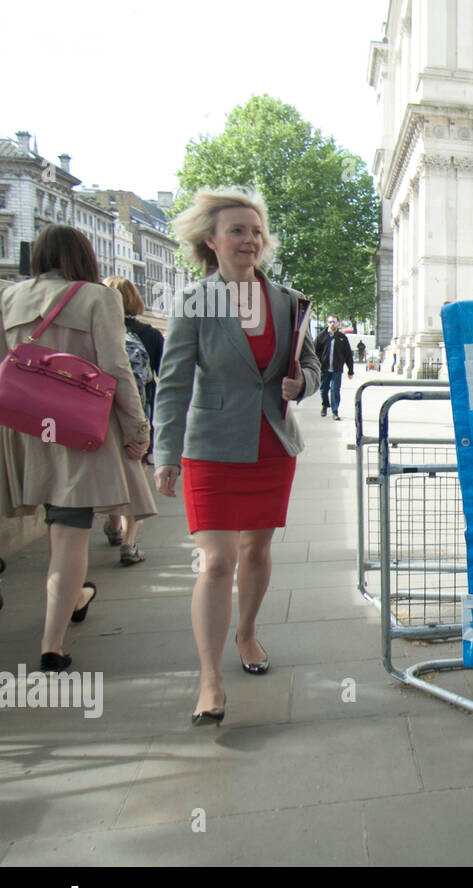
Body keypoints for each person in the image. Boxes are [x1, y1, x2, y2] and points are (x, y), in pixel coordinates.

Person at [155, 188, 320, 726]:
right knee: (216, 562)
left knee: (256, 552)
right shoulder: (194, 302)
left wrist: (303, 384)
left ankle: (247, 633)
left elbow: (311, 369)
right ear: (211, 240)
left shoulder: (289, 302)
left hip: (272, 445)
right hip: (211, 448)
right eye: (237, 231)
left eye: (255, 230)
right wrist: (166, 454)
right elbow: (174, 383)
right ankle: (209, 678)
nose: (249, 239)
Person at [0, 226, 154, 671]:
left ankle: (78, 595)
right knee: (70, 533)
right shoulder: (96, 297)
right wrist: (137, 429)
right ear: (84, 257)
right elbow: (116, 368)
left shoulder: (9, 298)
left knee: (57, 525)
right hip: (79, 429)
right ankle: (51, 644)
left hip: (26, 432)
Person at [102, 276, 161, 565]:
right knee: (135, 470)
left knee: (113, 469)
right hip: (138, 412)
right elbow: (166, 375)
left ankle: (113, 526)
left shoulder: (97, 331)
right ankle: (129, 539)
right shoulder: (149, 334)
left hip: (99, 414)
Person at [315, 314, 353, 420]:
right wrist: (316, 365)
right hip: (324, 369)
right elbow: (314, 352)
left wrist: (351, 371)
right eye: (330, 322)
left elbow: (348, 355)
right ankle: (325, 405)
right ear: (327, 323)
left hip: (336, 369)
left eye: (334, 322)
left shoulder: (342, 338)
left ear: (338, 323)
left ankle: (335, 411)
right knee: (323, 389)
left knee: (335, 390)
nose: (332, 324)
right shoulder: (321, 336)